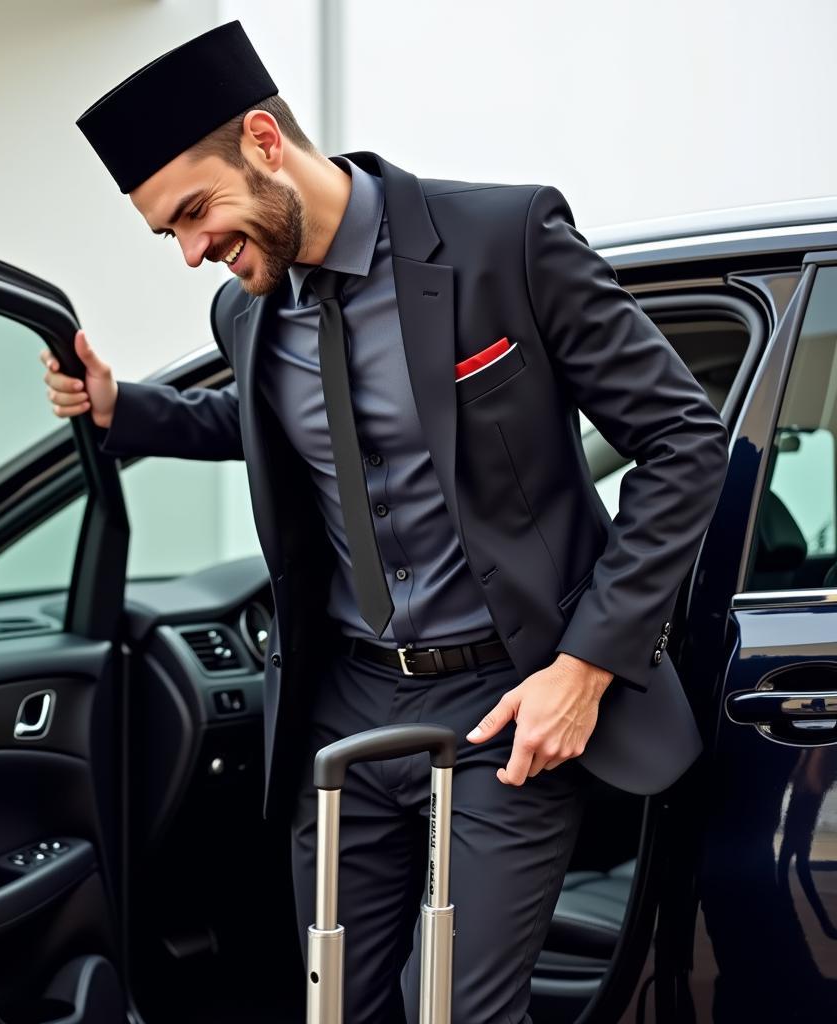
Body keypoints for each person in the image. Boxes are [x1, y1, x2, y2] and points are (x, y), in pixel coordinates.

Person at [45, 20, 730, 1023]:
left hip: (509, 701)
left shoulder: (505, 238)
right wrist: (124, 410)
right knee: (337, 1008)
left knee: (451, 1012)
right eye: (170, 236)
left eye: (194, 212)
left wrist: (583, 668)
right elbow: (271, 421)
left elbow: (682, 441)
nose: (192, 252)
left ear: (265, 142)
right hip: (343, 702)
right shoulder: (246, 313)